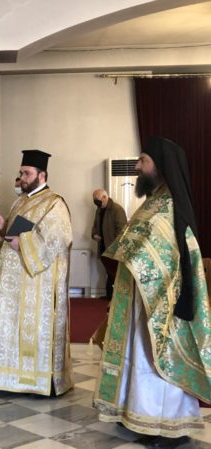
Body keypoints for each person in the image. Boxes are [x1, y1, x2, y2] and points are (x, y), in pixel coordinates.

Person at [94, 136, 211, 441]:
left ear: (160, 166)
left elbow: (171, 256)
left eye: (143, 160)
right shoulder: (153, 202)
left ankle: (168, 427)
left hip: (161, 302)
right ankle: (136, 414)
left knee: (158, 360)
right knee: (139, 357)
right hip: (139, 297)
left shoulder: (171, 206)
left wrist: (135, 256)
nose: (137, 166)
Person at [0, 149, 73, 397]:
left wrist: (22, 243)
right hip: (14, 284)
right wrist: (3, 228)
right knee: (12, 328)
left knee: (32, 332)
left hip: (37, 286)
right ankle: (8, 378)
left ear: (42, 175)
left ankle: (37, 382)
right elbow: (12, 235)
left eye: (27, 173)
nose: (22, 177)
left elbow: (57, 239)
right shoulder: (20, 201)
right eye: (21, 173)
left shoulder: (54, 204)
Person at [91, 188, 127, 298]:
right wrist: (94, 234)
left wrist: (116, 247)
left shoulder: (117, 210)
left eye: (97, 199)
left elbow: (122, 230)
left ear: (104, 197)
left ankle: (115, 296)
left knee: (115, 273)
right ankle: (109, 295)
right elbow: (95, 226)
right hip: (103, 247)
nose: (95, 201)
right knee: (109, 272)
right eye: (94, 199)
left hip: (114, 248)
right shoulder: (99, 210)